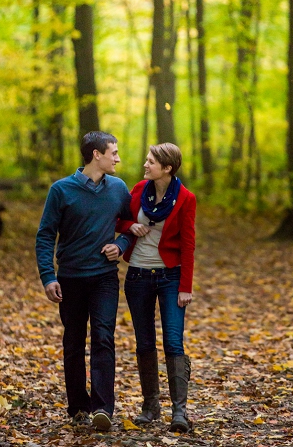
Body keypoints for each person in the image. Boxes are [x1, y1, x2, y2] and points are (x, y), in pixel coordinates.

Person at [35, 131, 133, 432]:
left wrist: (122, 244)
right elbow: (45, 235)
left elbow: (131, 225)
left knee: (103, 337)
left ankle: (103, 408)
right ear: (96, 155)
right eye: (113, 152)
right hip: (71, 278)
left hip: (104, 277)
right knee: (74, 342)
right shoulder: (61, 190)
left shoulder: (118, 188)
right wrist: (48, 277)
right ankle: (78, 408)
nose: (117, 158)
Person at [115, 143, 196, 433]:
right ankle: (150, 406)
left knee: (174, 343)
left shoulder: (186, 198)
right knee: (144, 342)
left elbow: (188, 244)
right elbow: (119, 218)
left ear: (167, 168)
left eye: (151, 161)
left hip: (170, 278)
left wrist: (185, 286)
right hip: (137, 276)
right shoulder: (138, 189)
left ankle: (179, 412)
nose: (145, 164)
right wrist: (129, 227)